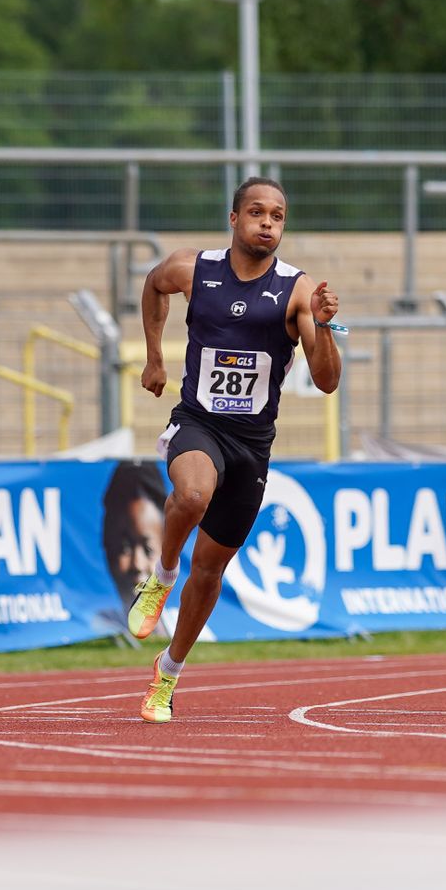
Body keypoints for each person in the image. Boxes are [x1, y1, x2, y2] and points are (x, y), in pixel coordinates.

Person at [125, 177, 342, 723]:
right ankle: (162, 574)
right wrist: (155, 356)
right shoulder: (194, 269)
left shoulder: (297, 290)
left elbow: (327, 381)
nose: (267, 223)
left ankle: (166, 676)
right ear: (234, 218)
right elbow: (153, 285)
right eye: (256, 212)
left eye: (277, 216)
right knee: (192, 495)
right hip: (198, 422)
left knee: (212, 570)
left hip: (252, 444)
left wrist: (322, 326)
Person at [101, 461, 166, 612]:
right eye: (125, 548)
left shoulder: (190, 624)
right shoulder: (96, 623)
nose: (137, 564)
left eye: (148, 549)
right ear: (107, 545)